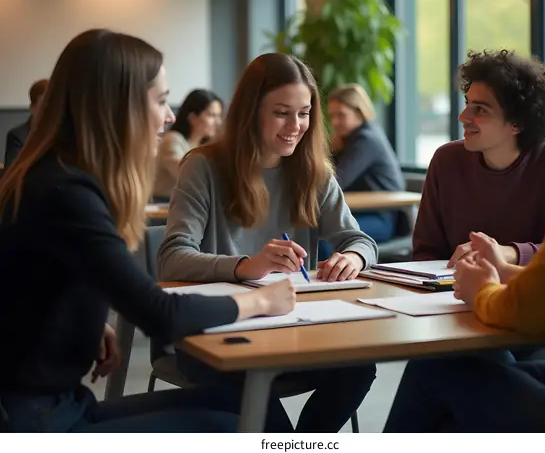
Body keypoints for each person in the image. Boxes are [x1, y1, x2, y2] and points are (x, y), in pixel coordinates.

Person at [0, 29, 297, 433]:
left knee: (245, 405)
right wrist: (260, 302)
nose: (171, 116)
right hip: (40, 423)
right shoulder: (66, 192)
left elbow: (31, 286)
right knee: (239, 424)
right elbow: (162, 316)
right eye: (161, 101)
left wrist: (86, 321)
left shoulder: (50, 175)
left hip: (52, 404)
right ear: (116, 106)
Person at [158, 52, 379, 433]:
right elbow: (172, 259)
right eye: (282, 112)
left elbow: (359, 239)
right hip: (218, 335)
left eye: (305, 113)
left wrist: (354, 257)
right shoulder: (203, 166)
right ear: (251, 111)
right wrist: (247, 265)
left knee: (358, 366)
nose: (296, 126)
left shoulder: (313, 172)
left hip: (292, 329)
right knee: (249, 384)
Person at [383, 46, 545, 432]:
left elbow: (535, 306)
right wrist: (501, 272)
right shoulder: (447, 161)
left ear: (516, 123)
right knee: (451, 387)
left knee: (441, 365)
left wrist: (489, 281)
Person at [413, 49, 545, 268]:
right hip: (452, 291)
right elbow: (425, 252)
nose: (463, 117)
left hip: (531, 294)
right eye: (467, 104)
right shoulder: (446, 160)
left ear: (516, 123)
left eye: (480, 109)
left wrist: (508, 253)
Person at [327, 83, 405, 245]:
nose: (334, 122)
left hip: (380, 218)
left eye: (341, 115)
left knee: (325, 237)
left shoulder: (366, 139)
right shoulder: (347, 139)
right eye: (332, 116)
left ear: (359, 112)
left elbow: (336, 181)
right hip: (356, 212)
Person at [154, 89, 223, 200]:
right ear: (193, 118)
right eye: (212, 115)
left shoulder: (203, 146)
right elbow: (189, 175)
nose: (218, 122)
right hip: (163, 206)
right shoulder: (172, 140)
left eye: (218, 116)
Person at [4, 78, 48, 168]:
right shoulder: (17, 136)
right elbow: (12, 174)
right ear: (32, 108)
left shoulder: (60, 134)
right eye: (43, 107)